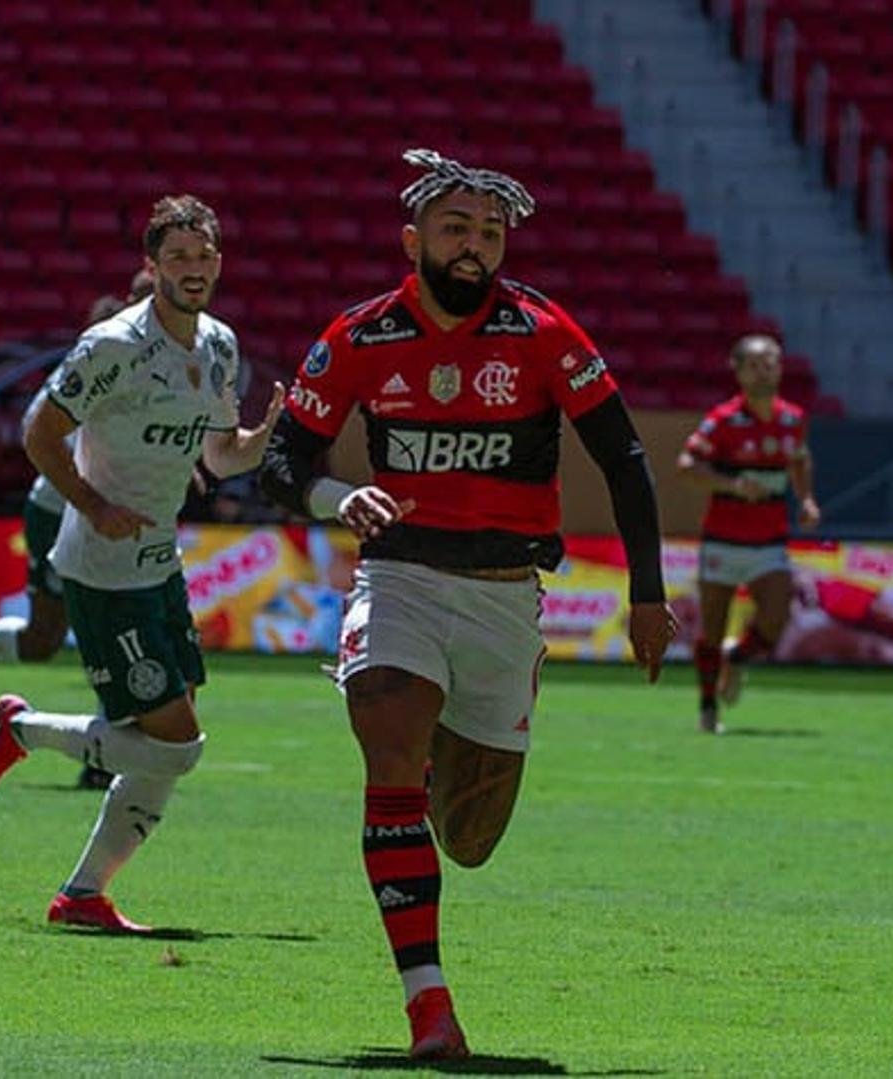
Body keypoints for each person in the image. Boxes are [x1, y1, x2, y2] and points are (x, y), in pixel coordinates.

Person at [258, 148, 677, 1061]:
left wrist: (647, 594)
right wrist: (338, 500)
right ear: (413, 240)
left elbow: (626, 459)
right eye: (456, 228)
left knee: (471, 838)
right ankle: (429, 1004)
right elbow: (283, 462)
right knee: (387, 730)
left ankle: (447, 750)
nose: (475, 245)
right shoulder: (360, 337)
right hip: (400, 576)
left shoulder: (543, 330)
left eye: (491, 232)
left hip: (503, 599)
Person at [0, 195, 285, 934]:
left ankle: (82, 894)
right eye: (178, 259)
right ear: (152, 265)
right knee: (180, 745)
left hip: (159, 562)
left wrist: (261, 438)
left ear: (219, 263)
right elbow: (39, 432)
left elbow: (219, 454)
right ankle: (21, 731)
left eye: (203, 258)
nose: (193, 271)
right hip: (103, 567)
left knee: (170, 738)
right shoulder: (112, 346)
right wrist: (91, 502)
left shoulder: (220, 346)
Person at [0, 269, 156, 793]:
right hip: (63, 507)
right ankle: (103, 755)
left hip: (116, 510)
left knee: (46, 639)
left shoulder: (176, 361)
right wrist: (92, 495)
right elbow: (44, 428)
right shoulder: (101, 352)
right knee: (90, 622)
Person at [676, 334, 820, 733]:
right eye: (755, 364)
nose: (764, 370)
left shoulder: (792, 418)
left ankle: (736, 657)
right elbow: (686, 465)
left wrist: (806, 498)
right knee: (712, 626)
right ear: (738, 371)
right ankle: (708, 708)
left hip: (769, 540)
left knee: (777, 619)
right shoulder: (723, 420)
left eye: (770, 363)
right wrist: (732, 484)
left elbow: (801, 460)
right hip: (722, 539)